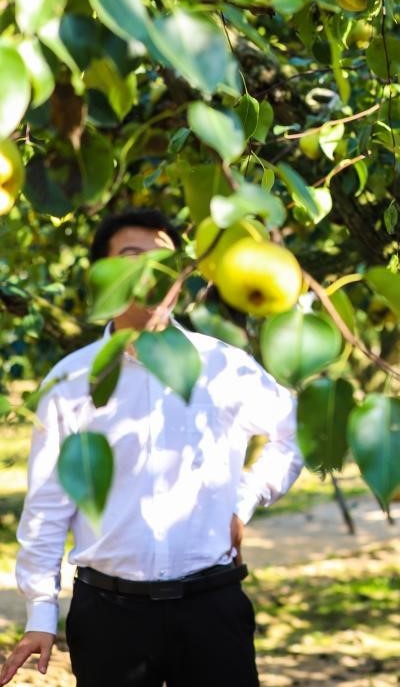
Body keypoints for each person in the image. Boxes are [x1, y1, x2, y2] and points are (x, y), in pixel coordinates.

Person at [0, 209, 303, 687]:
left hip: (211, 609)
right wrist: (41, 613)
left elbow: (292, 435)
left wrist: (244, 500)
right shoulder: (72, 380)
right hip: (108, 616)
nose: (150, 271)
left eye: (164, 260)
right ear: (102, 275)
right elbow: (49, 500)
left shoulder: (224, 366)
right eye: (131, 257)